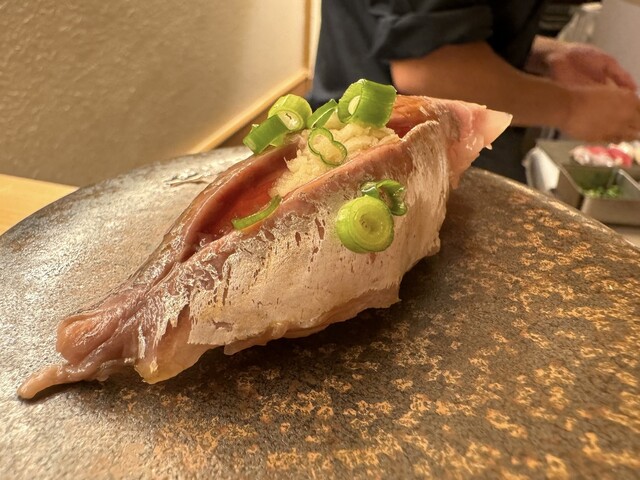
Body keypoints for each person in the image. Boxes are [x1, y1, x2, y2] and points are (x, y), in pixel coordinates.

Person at [308, 0, 640, 182]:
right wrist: (572, 108)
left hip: (445, 149)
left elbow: (441, 28)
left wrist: (547, 55)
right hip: (378, 159)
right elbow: (430, 67)